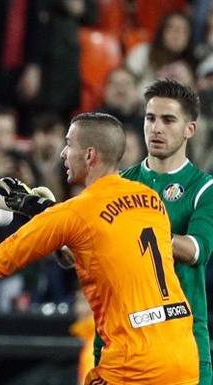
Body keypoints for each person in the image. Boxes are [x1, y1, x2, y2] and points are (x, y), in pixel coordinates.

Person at [0, 112, 200, 384]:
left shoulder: (75, 212)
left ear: (89, 155)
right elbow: (95, 244)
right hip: (183, 352)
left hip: (134, 362)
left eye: (69, 145)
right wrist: (42, 209)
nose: (63, 154)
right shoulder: (150, 200)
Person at [117, 79, 213, 384]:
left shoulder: (203, 188)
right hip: (125, 339)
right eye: (150, 118)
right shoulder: (119, 185)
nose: (156, 128)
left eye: (168, 120)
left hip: (183, 339)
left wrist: (133, 233)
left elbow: (196, 250)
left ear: (190, 129)